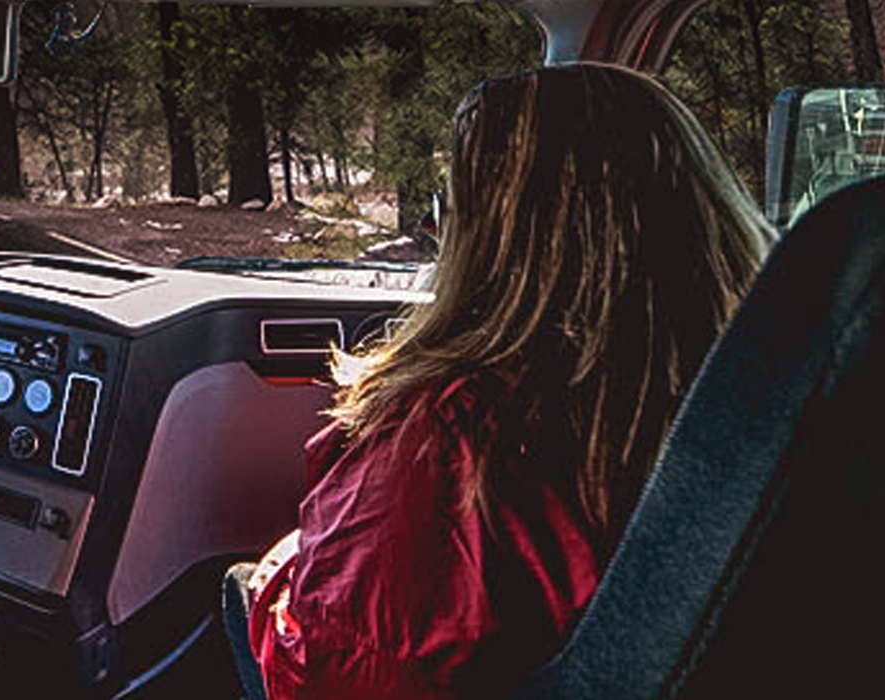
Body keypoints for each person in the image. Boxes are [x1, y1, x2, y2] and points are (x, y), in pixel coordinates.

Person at [222, 63, 773, 699]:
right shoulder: (777, 385)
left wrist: (277, 576)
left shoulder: (448, 437)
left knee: (243, 590)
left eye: (449, 205)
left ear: (488, 231)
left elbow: (343, 668)